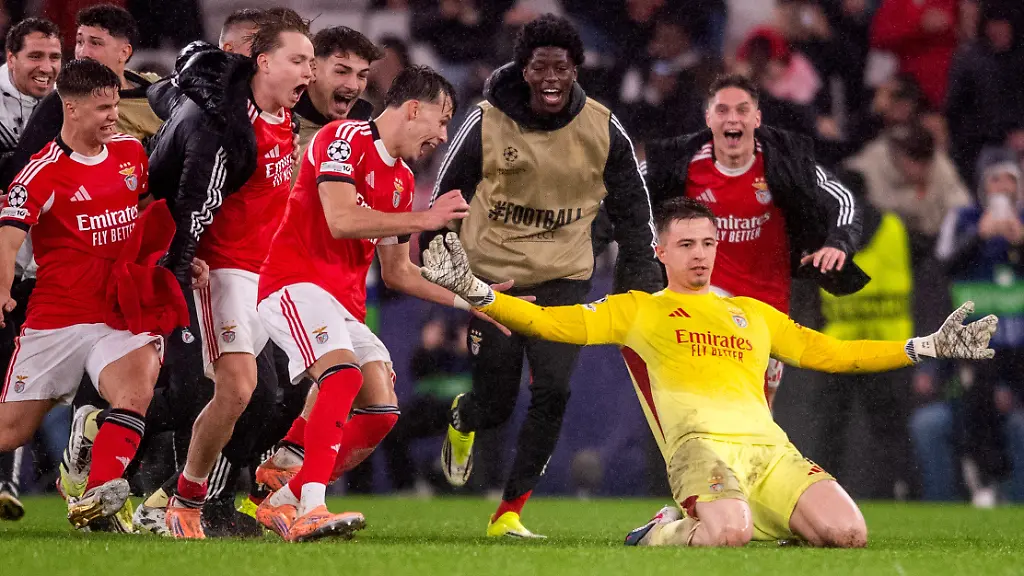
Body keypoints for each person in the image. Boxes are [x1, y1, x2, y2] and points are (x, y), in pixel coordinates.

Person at [419, 198, 998, 547]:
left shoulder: (751, 313)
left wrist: (922, 345)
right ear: (661, 252)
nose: (701, 253)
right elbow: (550, 323)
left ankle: (748, 514)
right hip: (702, 450)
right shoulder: (638, 309)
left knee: (850, 535)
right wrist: (475, 293)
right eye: (687, 244)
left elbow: (834, 354)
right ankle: (661, 530)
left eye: (709, 243)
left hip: (771, 451)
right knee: (729, 536)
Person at [427, 14, 662, 538]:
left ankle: (508, 513)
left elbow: (632, 207)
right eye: (540, 66)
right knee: (496, 403)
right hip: (494, 281)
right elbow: (445, 193)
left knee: (554, 391)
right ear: (524, 69)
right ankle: (465, 417)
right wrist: (444, 263)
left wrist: (641, 278)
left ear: (576, 69)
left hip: (565, 280)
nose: (551, 77)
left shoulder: (602, 126)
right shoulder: (486, 119)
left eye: (562, 66)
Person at [252, 65, 473, 542]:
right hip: (294, 284)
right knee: (343, 375)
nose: (443, 133)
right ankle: (311, 507)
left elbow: (398, 273)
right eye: (443, 118)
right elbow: (339, 218)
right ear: (415, 108)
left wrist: (473, 301)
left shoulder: (402, 179)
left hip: (340, 305)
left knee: (381, 410)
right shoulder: (342, 137)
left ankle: (282, 498)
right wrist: (425, 217)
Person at [134, 9, 314, 540]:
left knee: (340, 370)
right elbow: (197, 197)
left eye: (311, 61)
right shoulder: (231, 125)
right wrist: (183, 253)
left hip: (274, 275)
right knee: (237, 388)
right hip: (226, 271)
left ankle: (277, 490)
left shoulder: (284, 121)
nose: (309, 71)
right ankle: (185, 501)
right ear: (262, 61)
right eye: (298, 60)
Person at [0, 58, 199, 531]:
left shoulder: (131, 153)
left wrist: (184, 254)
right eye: (103, 108)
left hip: (119, 310)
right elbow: (6, 242)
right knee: (12, 430)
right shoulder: (40, 174)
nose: (114, 115)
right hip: (58, 317)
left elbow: (153, 208)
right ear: (70, 108)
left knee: (135, 392)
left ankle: (96, 497)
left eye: (115, 105)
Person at [644, 73, 866, 409]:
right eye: (722, 110)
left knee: (760, 407)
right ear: (708, 119)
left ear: (756, 118)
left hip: (769, 301)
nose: (732, 118)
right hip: (708, 292)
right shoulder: (681, 164)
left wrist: (838, 242)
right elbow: (624, 191)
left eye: (742, 110)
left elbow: (842, 200)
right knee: (717, 383)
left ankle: (743, 458)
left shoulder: (784, 164)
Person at [0, 16, 62, 522]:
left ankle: (4, 481)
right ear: (11, 57)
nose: (47, 69)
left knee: (16, 375)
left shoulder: (69, 106)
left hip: (38, 270)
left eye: (55, 59)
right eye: (35, 57)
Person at [0, 4, 163, 189]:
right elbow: (24, 170)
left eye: (95, 43)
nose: (82, 53)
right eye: (79, 42)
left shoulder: (153, 86)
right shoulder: (60, 101)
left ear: (124, 52)